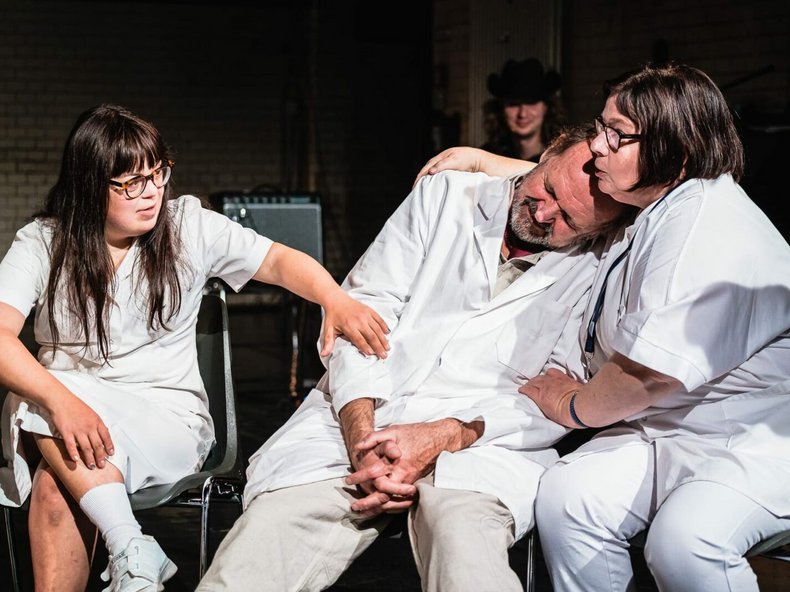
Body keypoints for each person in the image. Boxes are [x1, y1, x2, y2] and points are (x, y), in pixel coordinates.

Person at [196, 126, 633, 592]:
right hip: (359, 419)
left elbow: (555, 393)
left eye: (568, 219)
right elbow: (364, 313)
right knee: (267, 540)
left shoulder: (602, 262)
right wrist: (361, 435)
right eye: (546, 188)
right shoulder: (445, 197)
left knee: (465, 549)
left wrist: (446, 435)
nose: (544, 213)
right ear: (542, 157)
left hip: (485, 447)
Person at [0, 104, 390, 592]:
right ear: (88, 184)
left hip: (164, 420)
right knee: (53, 482)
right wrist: (62, 402)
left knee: (42, 407)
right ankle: (133, 552)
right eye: (131, 183)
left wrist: (334, 297)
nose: (152, 192)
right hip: (68, 420)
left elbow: (278, 261)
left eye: (157, 173)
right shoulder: (45, 241)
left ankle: (129, 547)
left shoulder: (188, 225)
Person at [516, 63, 790, 591]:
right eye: (600, 126)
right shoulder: (652, 207)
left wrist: (570, 405)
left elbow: (650, 375)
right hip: (670, 429)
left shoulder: (704, 220)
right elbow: (564, 175)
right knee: (568, 498)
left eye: (617, 135)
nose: (597, 146)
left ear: (676, 151)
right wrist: (480, 160)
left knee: (686, 541)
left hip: (754, 435)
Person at [482, 57, 567, 163]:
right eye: (514, 104)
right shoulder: (486, 158)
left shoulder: (563, 157)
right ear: (501, 108)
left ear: (546, 107)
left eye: (531, 103)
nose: (522, 114)